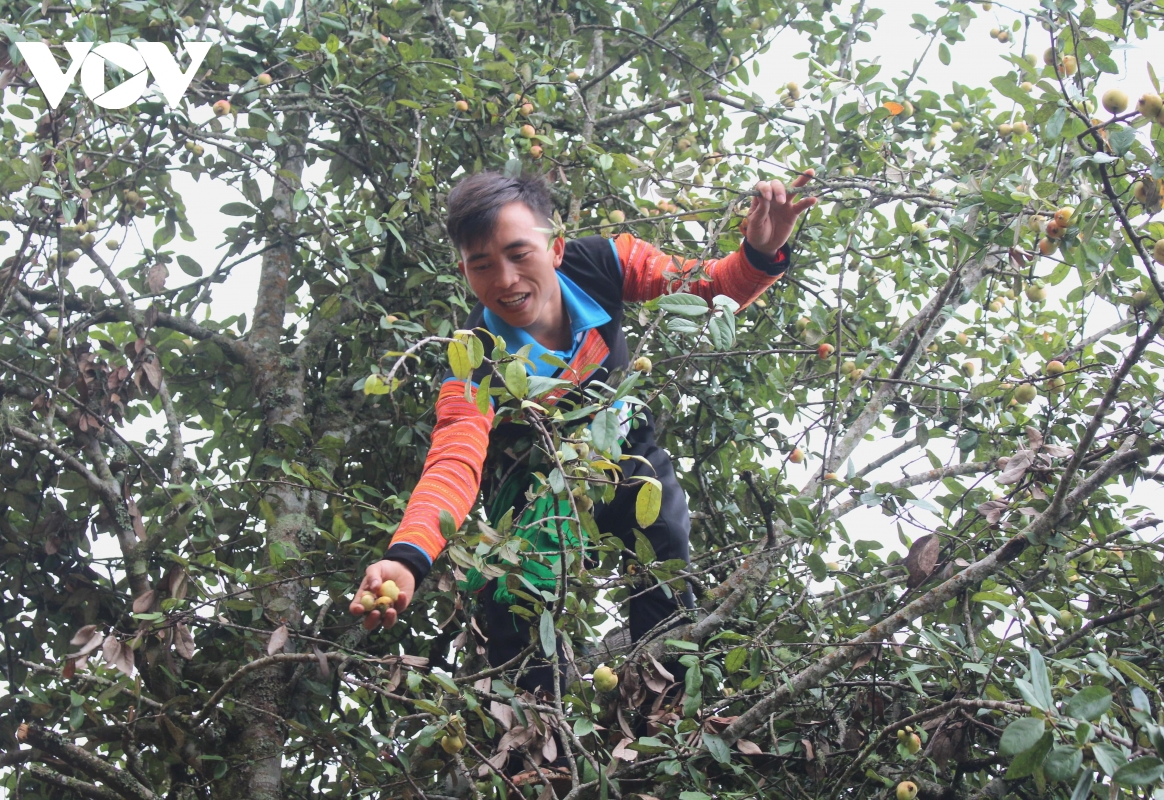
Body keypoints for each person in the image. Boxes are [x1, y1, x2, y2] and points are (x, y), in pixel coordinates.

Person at [349, 169, 816, 696]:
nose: (503, 279)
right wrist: (408, 556)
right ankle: (532, 742)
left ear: (556, 247)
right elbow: (454, 463)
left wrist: (757, 253)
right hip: (530, 492)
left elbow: (704, 287)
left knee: (660, 526)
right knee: (512, 599)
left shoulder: (604, 262)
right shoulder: (471, 361)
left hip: (620, 450)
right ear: (465, 271)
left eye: (518, 253)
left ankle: (668, 707)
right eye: (482, 265)